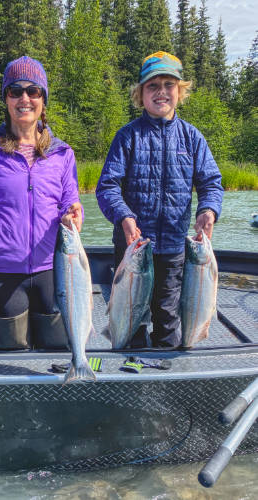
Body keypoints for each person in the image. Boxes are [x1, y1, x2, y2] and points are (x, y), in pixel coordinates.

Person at [0, 56, 82, 350]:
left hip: (52, 270)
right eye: (15, 91)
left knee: (54, 356)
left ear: (43, 100)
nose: (24, 98)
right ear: (6, 99)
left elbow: (69, 199)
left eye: (33, 91)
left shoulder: (62, 153)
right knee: (9, 356)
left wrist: (73, 212)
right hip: (1, 274)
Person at [96, 51, 224, 348]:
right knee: (132, 319)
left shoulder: (192, 138)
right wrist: (124, 216)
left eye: (169, 85)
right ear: (140, 94)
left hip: (175, 250)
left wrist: (208, 210)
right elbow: (107, 187)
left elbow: (211, 183)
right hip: (133, 249)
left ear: (180, 92)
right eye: (153, 86)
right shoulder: (127, 137)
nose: (161, 92)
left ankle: (165, 375)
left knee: (168, 318)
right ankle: (129, 372)